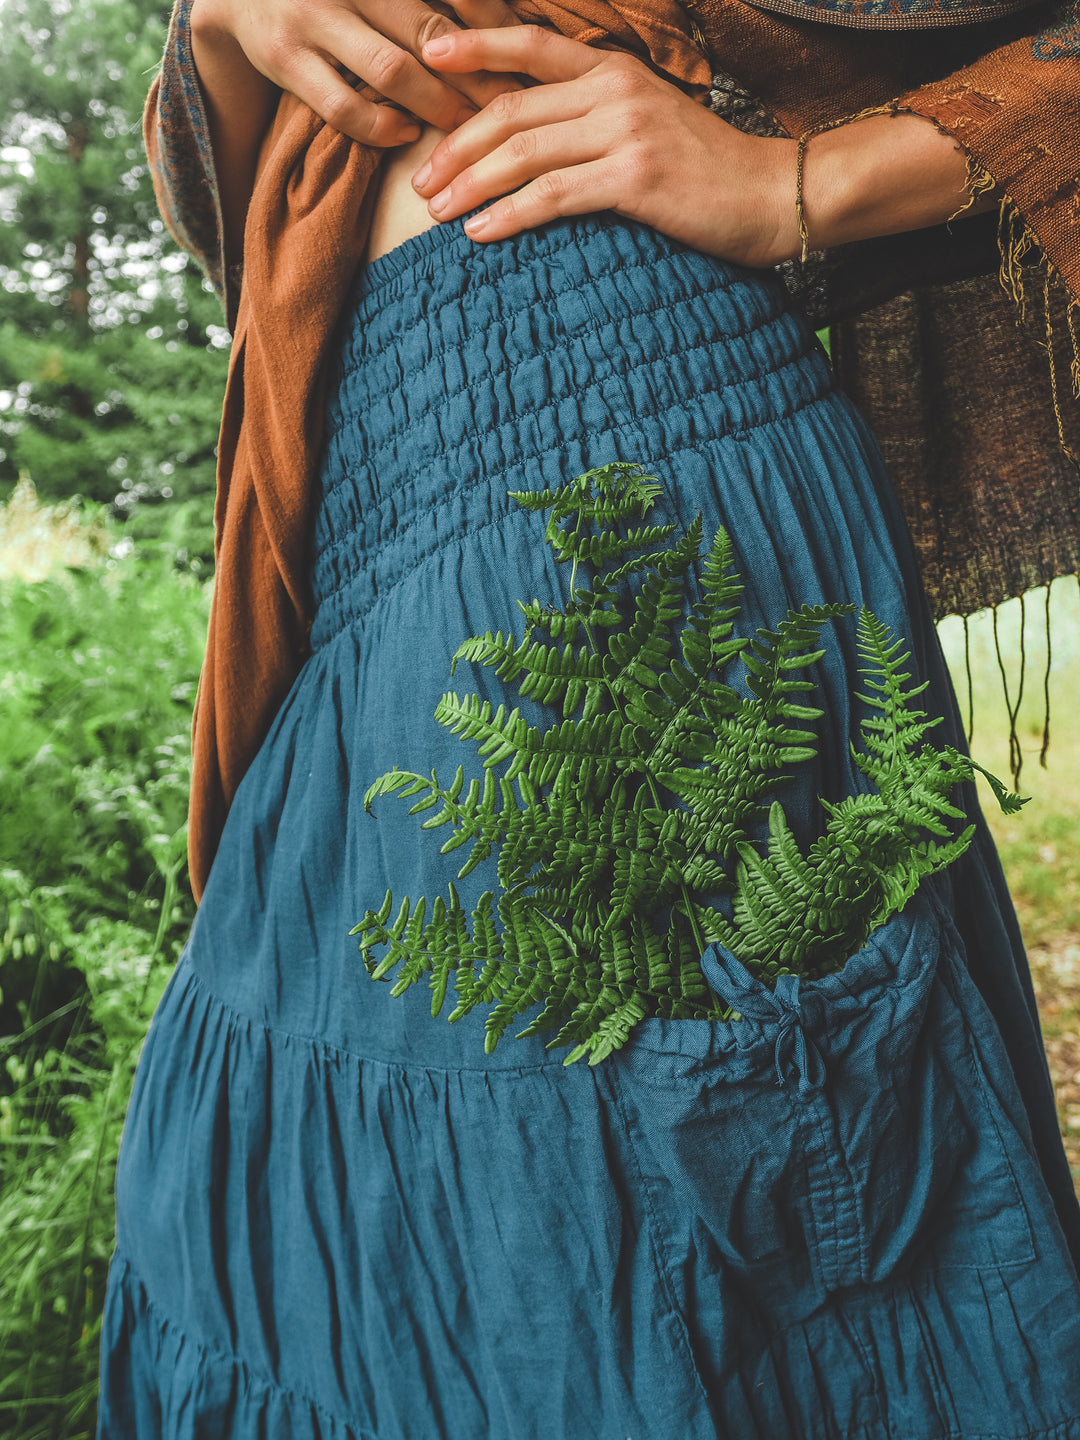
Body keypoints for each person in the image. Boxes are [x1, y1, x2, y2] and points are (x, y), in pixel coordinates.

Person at [98, 2, 1080, 1435]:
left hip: (620, 422)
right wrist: (241, 29)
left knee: (643, 1257)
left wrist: (802, 185)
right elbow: (242, 211)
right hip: (366, 484)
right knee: (309, 1244)